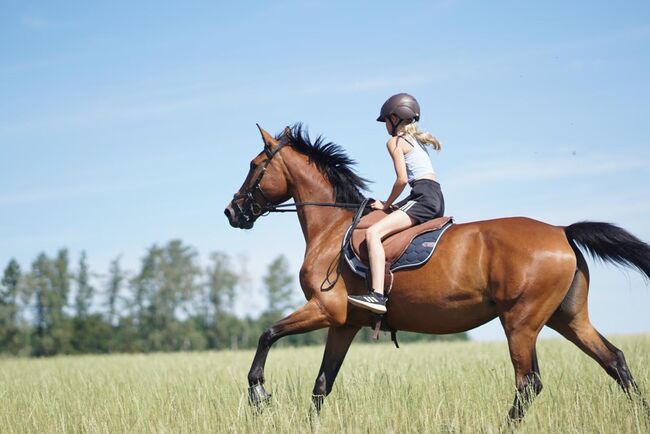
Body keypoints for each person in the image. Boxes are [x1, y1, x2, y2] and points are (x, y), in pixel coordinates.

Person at [347, 93, 445, 314]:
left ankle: (377, 296)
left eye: (386, 121)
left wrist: (385, 205)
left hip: (422, 197)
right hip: (434, 196)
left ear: (395, 118)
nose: (385, 126)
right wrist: (396, 205)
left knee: (372, 233)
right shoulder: (417, 142)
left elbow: (401, 180)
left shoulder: (395, 142)